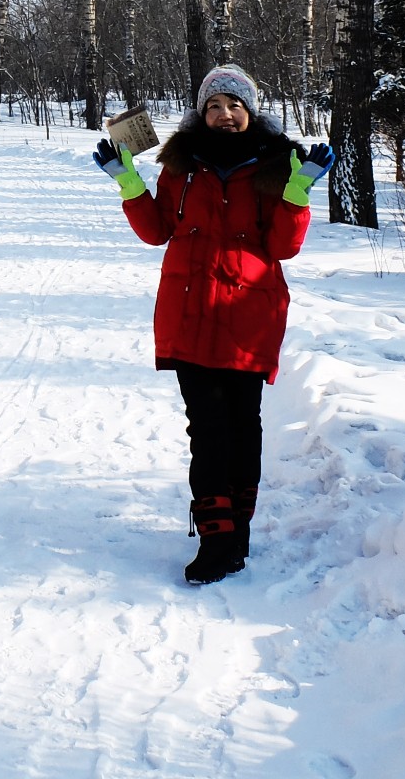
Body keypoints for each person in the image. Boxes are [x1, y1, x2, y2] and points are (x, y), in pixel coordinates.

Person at [92, 65, 331, 584]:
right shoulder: (181, 164)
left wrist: (298, 191)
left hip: (250, 313)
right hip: (190, 310)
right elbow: (157, 231)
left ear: (251, 112)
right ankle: (216, 540)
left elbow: (283, 246)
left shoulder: (277, 162)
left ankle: (236, 533)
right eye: (215, 107)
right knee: (207, 428)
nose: (224, 115)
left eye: (235, 107)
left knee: (243, 426)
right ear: (202, 113)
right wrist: (128, 180)